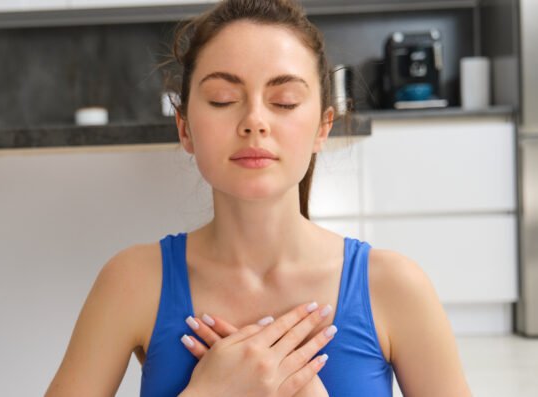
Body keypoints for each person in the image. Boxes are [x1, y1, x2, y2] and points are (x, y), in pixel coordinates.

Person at [45, 0, 472, 395]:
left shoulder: (395, 287)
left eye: (284, 102)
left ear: (323, 127)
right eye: (223, 99)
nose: (254, 121)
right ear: (185, 127)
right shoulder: (132, 281)